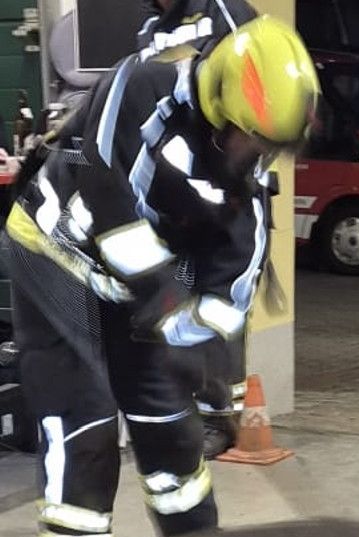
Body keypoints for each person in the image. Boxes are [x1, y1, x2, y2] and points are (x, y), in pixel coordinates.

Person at [2, 16, 319, 537]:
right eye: (256, 140)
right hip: (55, 256)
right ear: (223, 107)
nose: (262, 157)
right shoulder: (138, 89)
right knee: (86, 433)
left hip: (137, 294)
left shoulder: (242, 202)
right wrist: (164, 298)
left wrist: (210, 391)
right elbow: (106, 200)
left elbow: (224, 309)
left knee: (172, 438)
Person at [136, 0, 259, 458]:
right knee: (172, 296)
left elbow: (253, 87)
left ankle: (221, 417)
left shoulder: (227, 12)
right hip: (176, 187)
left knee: (221, 296)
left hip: (227, 181)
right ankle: (179, 407)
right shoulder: (150, 28)